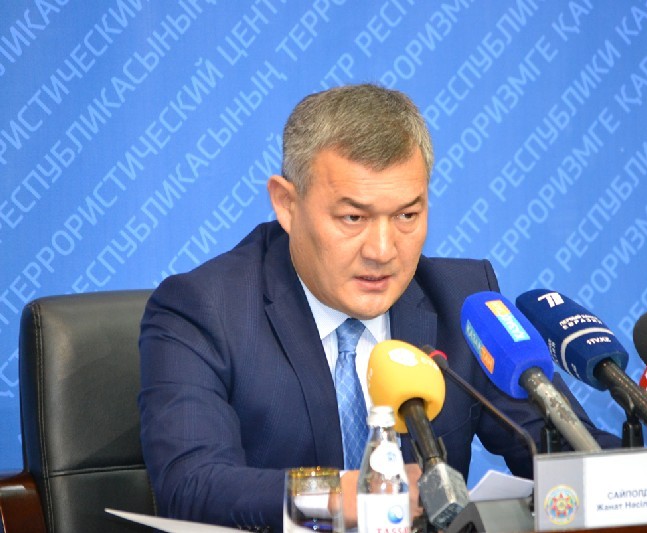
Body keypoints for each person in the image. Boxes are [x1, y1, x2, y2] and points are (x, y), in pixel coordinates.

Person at [138, 83, 619, 531]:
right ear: (286, 204)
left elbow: (570, 452)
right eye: (353, 217)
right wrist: (344, 496)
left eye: (407, 215)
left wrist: (640, 479)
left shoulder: (464, 303)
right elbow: (191, 485)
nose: (383, 251)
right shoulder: (204, 310)